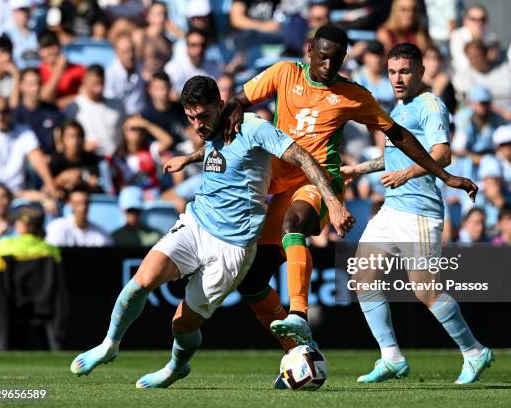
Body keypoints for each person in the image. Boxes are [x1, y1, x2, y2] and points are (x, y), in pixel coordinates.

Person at [69, 75, 353, 389]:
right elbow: (213, 150)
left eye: (203, 116)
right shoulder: (212, 129)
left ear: (220, 106)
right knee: (141, 281)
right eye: (191, 118)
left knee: (181, 325)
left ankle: (177, 366)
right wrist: (188, 158)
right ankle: (109, 344)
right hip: (195, 224)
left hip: (233, 248)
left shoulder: (253, 128)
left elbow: (302, 157)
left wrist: (333, 204)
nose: (198, 125)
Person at [222, 26, 477, 361]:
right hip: (279, 185)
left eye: (336, 59)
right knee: (252, 281)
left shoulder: (352, 94)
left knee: (294, 225)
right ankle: (301, 352)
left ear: (344, 59)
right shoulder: (284, 73)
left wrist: (444, 175)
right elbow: (239, 99)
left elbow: (398, 136)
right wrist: (235, 107)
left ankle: (299, 315)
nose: (328, 65)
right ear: (310, 50)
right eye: (323, 57)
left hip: (321, 182)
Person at [339, 43, 489, 385]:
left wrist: (406, 175)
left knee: (425, 290)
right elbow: (396, 158)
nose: (397, 78)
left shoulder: (430, 105)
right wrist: (358, 169)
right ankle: (391, 357)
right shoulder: (399, 107)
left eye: (404, 71)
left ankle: (474, 351)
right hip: (394, 208)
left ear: (421, 71)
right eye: (392, 72)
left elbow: (442, 154)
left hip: (419, 213)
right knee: (362, 275)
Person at [0, 96, 56, 195]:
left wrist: (50, 184)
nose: (0, 117)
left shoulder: (23, 131)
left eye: (4, 112)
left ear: (11, 112)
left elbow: (37, 158)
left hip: (18, 193)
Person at [64, 65, 125, 157]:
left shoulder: (117, 105)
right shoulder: (74, 107)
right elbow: (66, 137)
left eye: (101, 83)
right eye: (95, 83)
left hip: (115, 159)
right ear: (85, 81)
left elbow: (125, 131)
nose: (99, 88)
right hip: (88, 160)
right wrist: (82, 145)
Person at [110, 115, 174, 198]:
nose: (137, 132)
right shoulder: (117, 155)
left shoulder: (151, 148)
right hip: (129, 195)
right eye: (133, 129)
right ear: (124, 131)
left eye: (140, 129)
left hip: (152, 193)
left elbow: (168, 141)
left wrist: (147, 124)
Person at [452, 40, 511, 118]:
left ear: (486, 54)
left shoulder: (504, 68)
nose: (474, 60)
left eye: (477, 55)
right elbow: (474, 104)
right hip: (487, 118)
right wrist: (503, 113)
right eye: (470, 57)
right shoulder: (462, 77)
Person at [13, 68, 64, 155]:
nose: (36, 88)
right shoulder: (15, 115)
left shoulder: (52, 110)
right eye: (31, 84)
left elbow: (60, 143)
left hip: (52, 160)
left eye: (38, 83)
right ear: (21, 86)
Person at [451, 85, 506, 164]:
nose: (484, 106)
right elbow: (458, 149)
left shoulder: (497, 119)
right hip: (465, 160)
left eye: (487, 103)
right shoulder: (462, 119)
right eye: (481, 103)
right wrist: (480, 159)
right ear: (471, 103)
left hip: (491, 158)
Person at [45, 184, 113, 247]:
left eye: (86, 203)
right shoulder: (57, 227)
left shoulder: (101, 233)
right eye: (78, 203)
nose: (83, 207)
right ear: (70, 204)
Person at [164, 29, 223, 96]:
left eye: (202, 45)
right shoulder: (172, 69)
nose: (199, 49)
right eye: (193, 45)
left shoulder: (215, 68)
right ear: (187, 47)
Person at [49, 120, 102, 194]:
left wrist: (78, 182)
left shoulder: (91, 159)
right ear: (62, 139)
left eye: (78, 136)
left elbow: (94, 182)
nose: (75, 141)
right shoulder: (55, 160)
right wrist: (61, 179)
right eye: (70, 137)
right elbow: (46, 187)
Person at [37, 29, 85, 109]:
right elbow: (44, 98)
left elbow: (87, 95)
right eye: (46, 48)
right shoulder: (37, 72)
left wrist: (65, 101)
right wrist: (59, 69)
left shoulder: (79, 69)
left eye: (53, 46)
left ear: (60, 46)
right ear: (39, 51)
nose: (50, 52)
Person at [104, 33, 147, 116]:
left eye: (132, 50)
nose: (130, 55)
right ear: (116, 53)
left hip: (141, 115)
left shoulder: (141, 66)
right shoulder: (109, 74)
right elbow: (110, 102)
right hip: (119, 117)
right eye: (125, 52)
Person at [141, 71, 187, 145]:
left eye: (166, 87)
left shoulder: (181, 108)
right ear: (150, 90)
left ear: (170, 87)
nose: (163, 92)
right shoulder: (145, 115)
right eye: (158, 88)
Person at [449, 4, 497, 71]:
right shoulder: (457, 36)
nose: (479, 23)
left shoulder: (491, 37)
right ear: (465, 21)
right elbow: (462, 64)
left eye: (482, 19)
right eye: (474, 19)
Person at [352, 40, 396, 112]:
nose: (376, 59)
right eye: (372, 55)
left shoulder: (391, 77)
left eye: (379, 55)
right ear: (364, 57)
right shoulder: (356, 76)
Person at [422, 45, 456, 113]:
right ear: (423, 60)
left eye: (437, 59)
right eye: (430, 59)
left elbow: (451, 108)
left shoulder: (446, 84)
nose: (434, 63)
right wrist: (436, 91)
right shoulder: (414, 83)